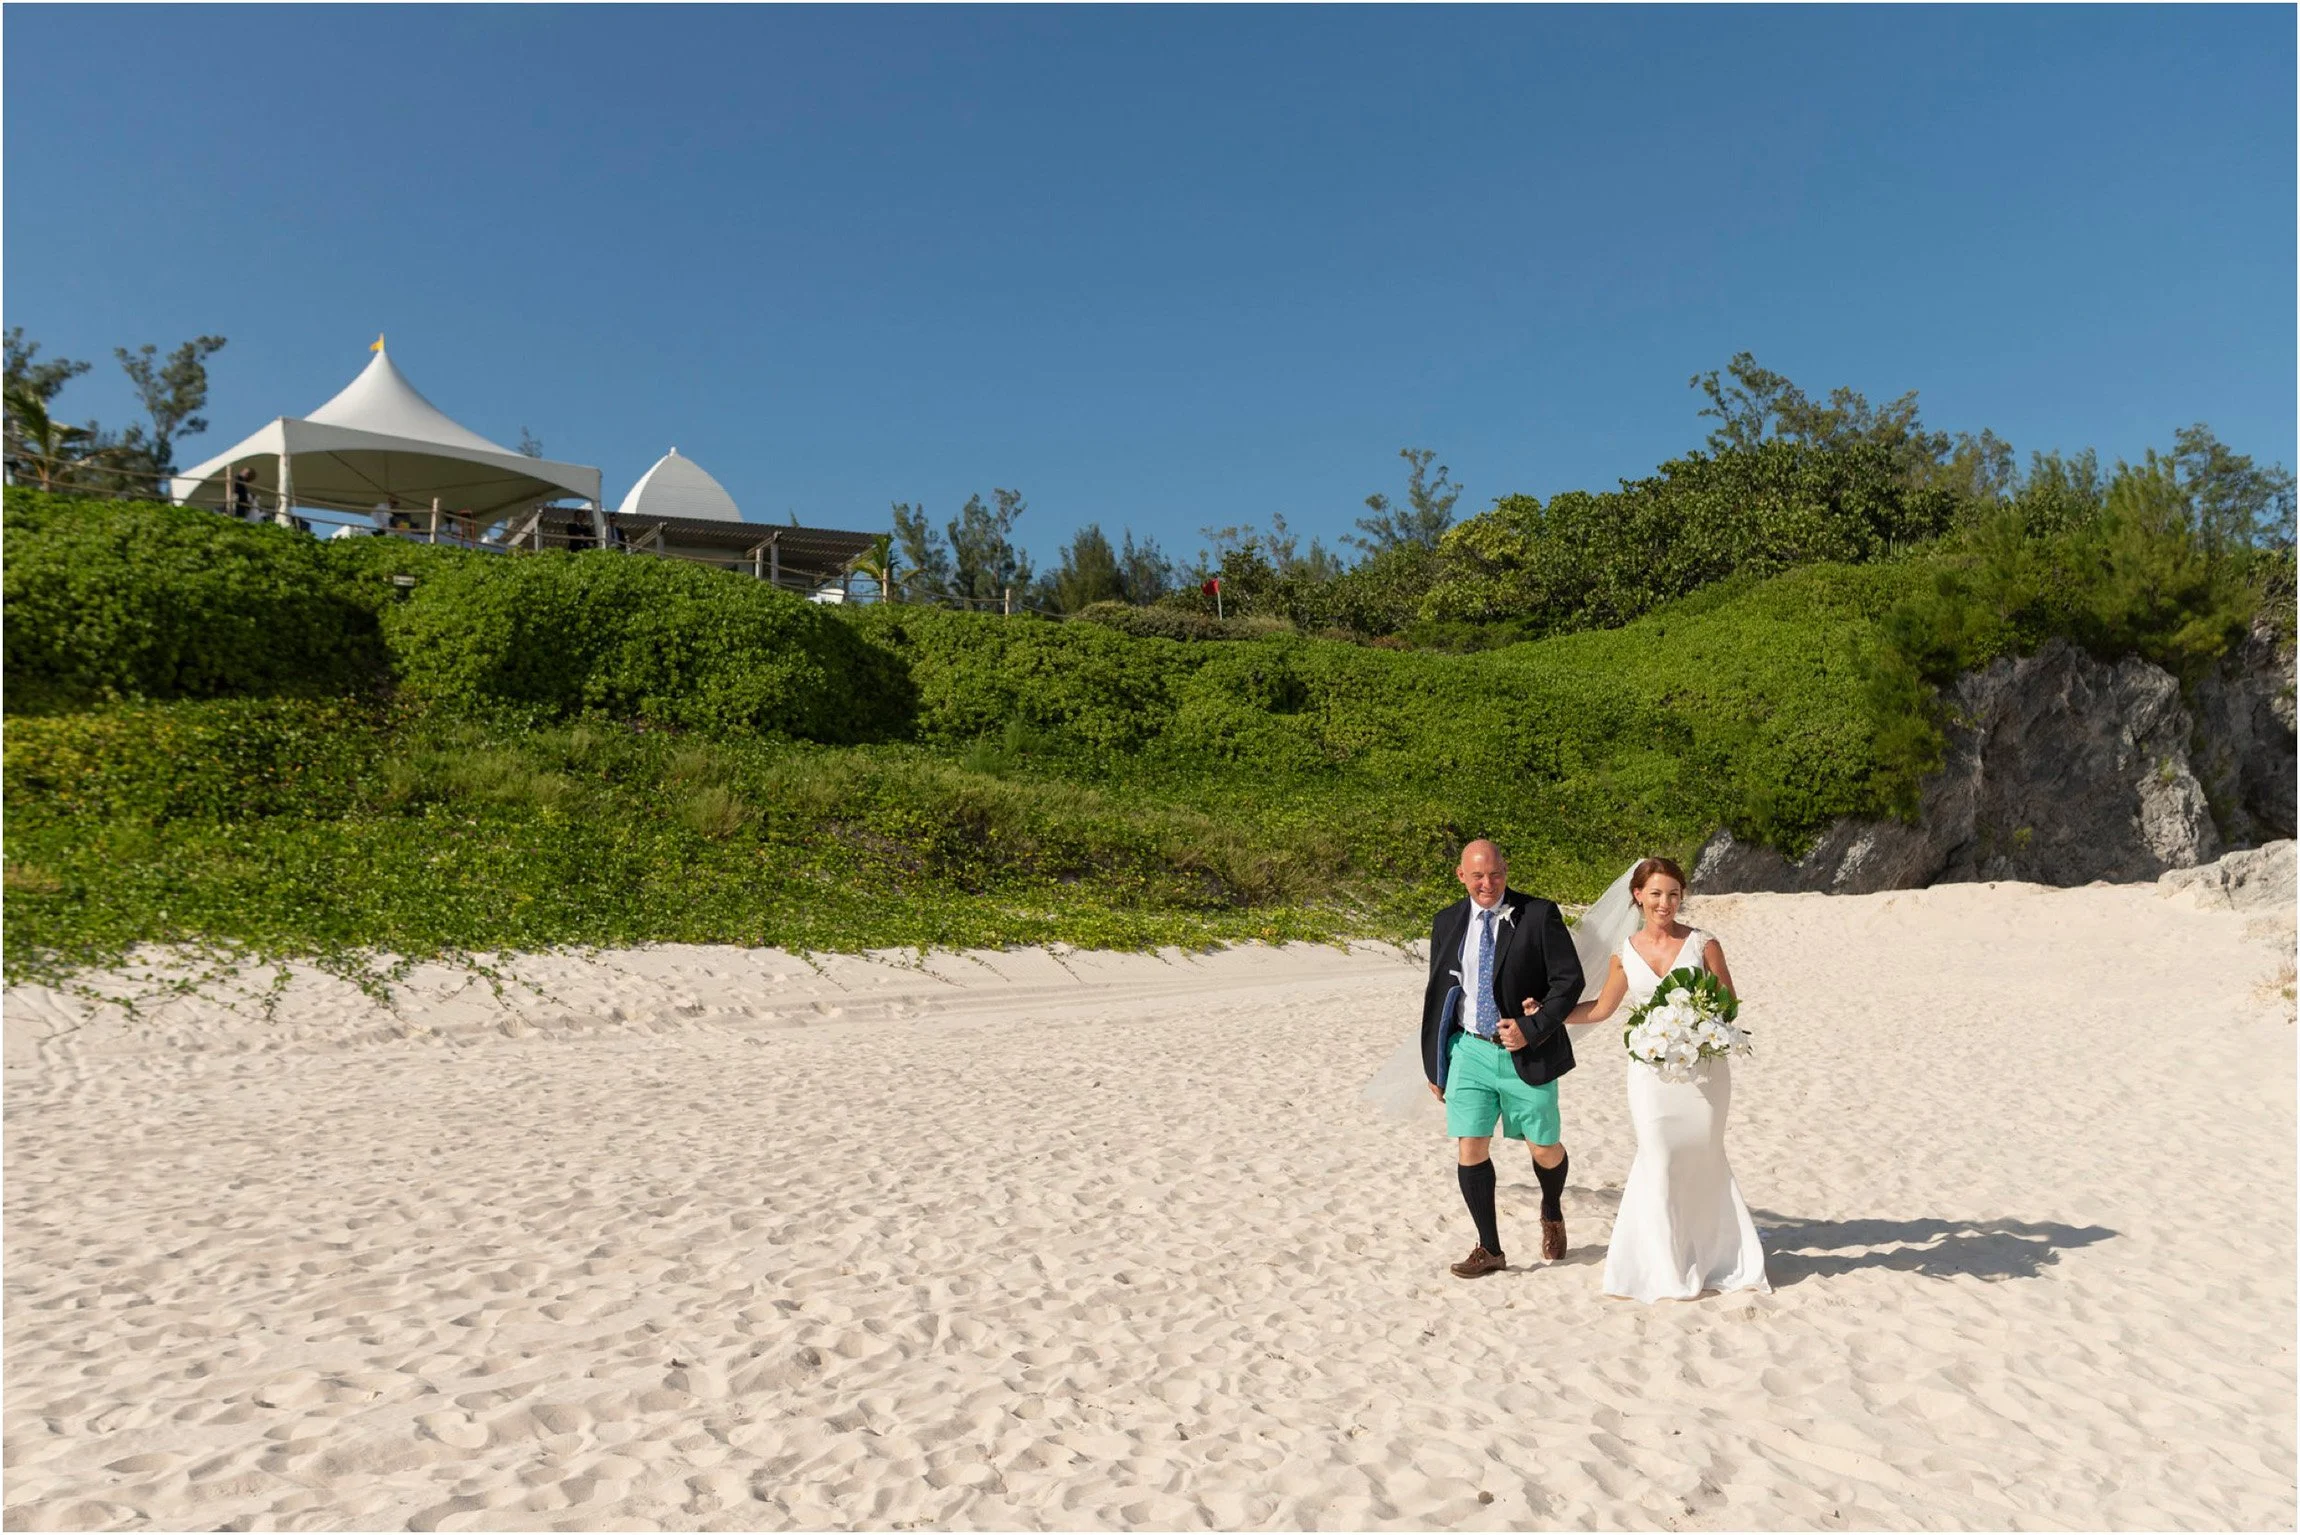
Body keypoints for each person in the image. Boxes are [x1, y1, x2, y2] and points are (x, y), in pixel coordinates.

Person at [1566, 856, 1769, 1302]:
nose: (1665, 903)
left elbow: (1729, 1005)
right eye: (1656, 893)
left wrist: (1695, 1024)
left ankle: (1716, 1255)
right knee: (1658, 1156)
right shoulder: (1624, 952)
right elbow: (1602, 1009)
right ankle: (1661, 1263)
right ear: (1638, 895)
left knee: (1703, 1155)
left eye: (1674, 894)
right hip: (1650, 1076)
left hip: (1703, 1075)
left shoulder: (1704, 943)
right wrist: (1549, 1015)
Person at [1419, 839, 1585, 1278]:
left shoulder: (1538, 914)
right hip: (1469, 1050)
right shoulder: (1447, 922)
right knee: (1470, 1145)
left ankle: (1550, 1208)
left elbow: (1569, 982)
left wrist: (1531, 1029)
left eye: (1495, 874)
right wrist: (1434, 1063)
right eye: (1477, 876)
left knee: (1544, 1148)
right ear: (1461, 876)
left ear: (1506, 870)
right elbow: (1438, 994)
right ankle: (1489, 1248)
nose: (1487, 883)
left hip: (1527, 1053)